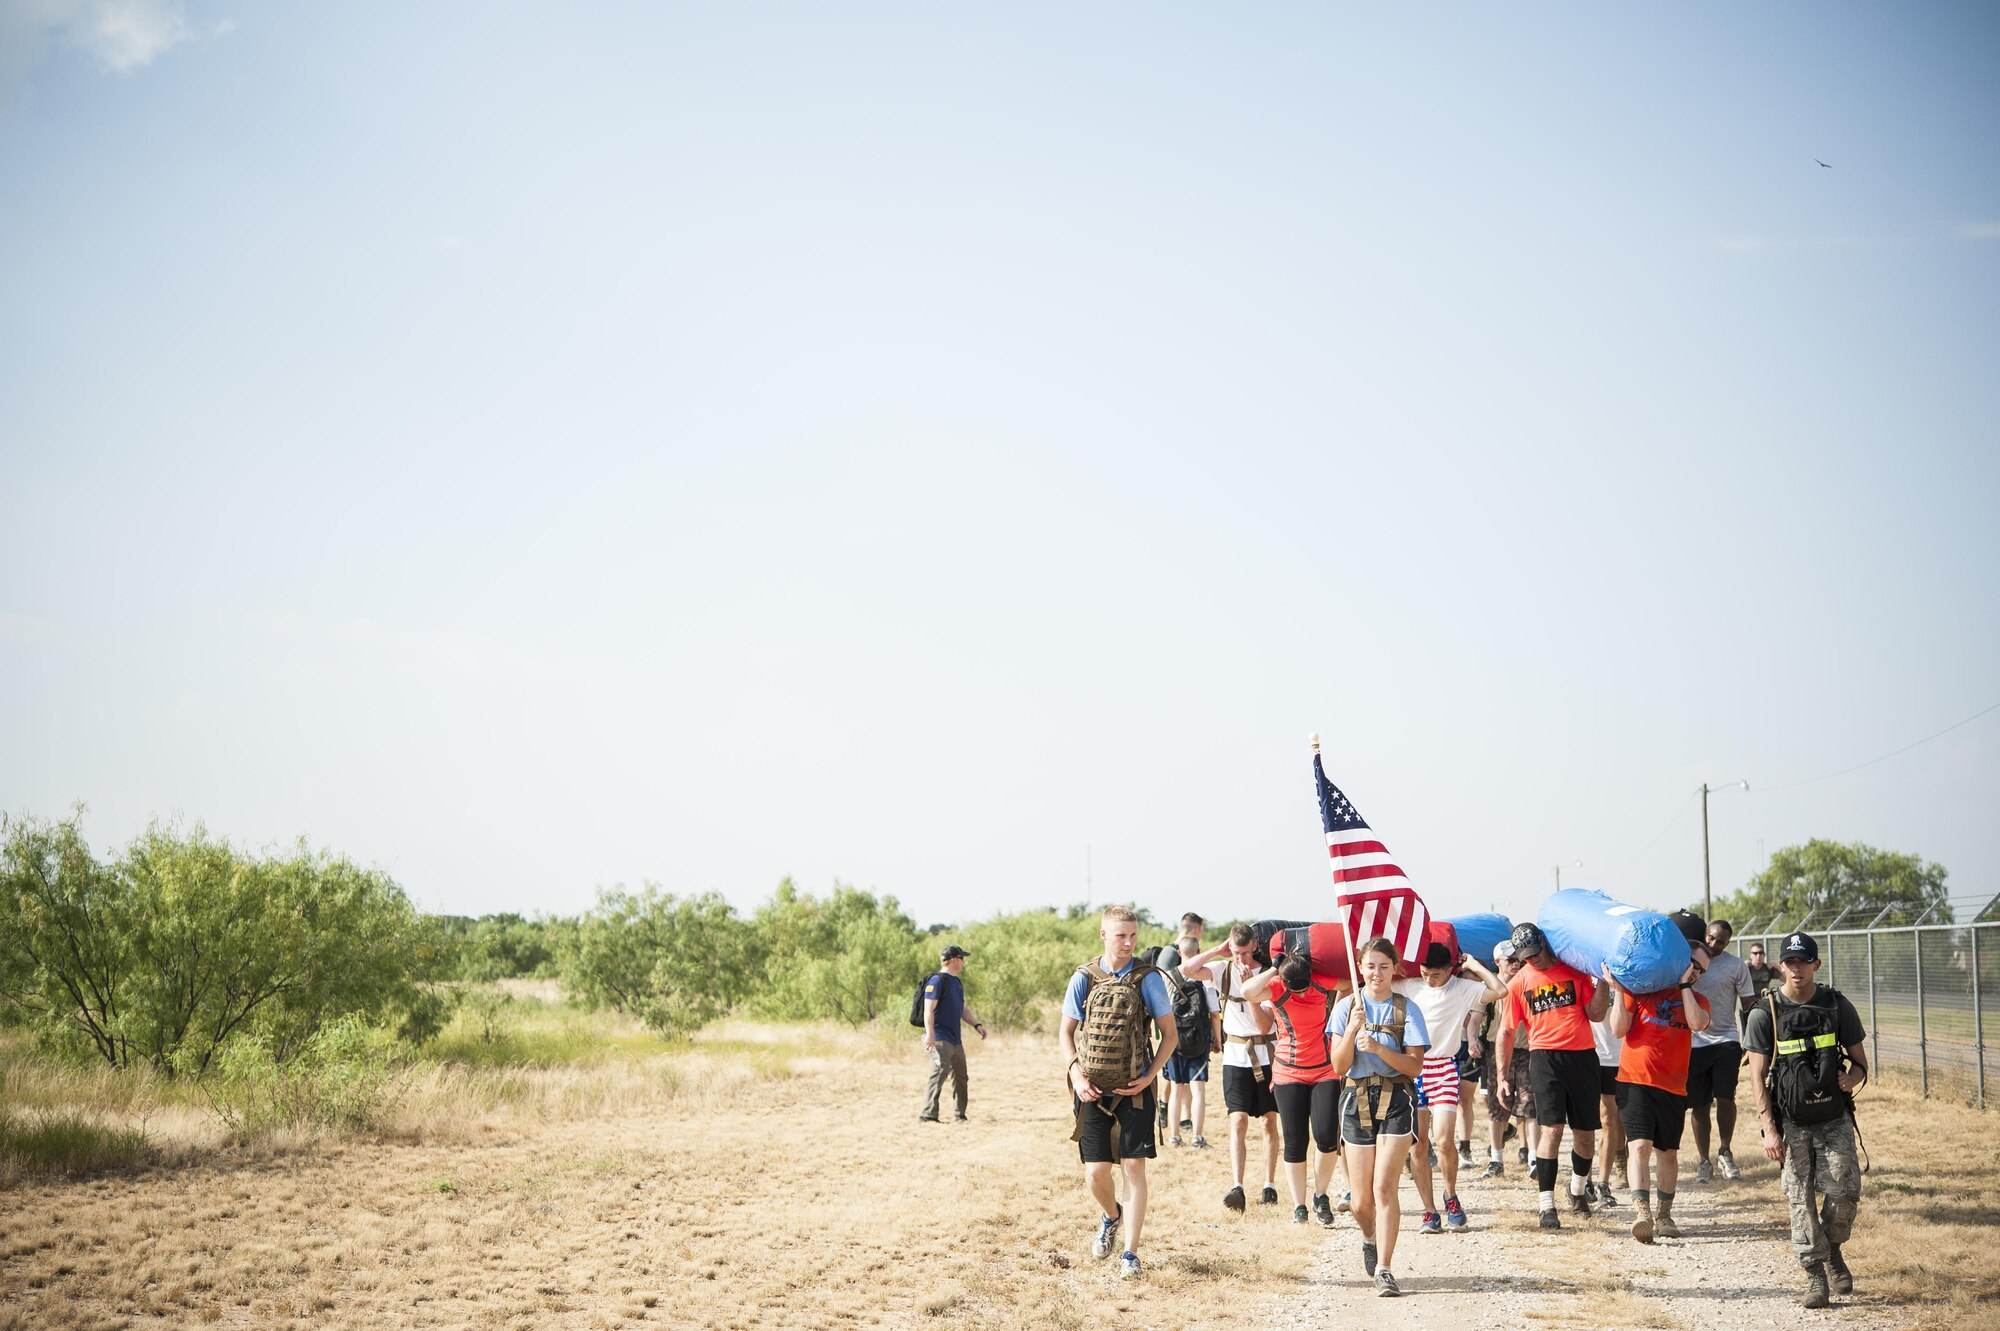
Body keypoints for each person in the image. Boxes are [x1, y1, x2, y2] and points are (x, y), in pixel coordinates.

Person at [1744, 931, 1869, 1310]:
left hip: (1834, 1117)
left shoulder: (1836, 1005)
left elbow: (1861, 1061)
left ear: (1815, 964)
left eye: (1803, 961)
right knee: (1800, 1199)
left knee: (1844, 1192)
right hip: (1791, 1121)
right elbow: (1756, 1075)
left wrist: (1854, 1076)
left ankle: (1832, 1248)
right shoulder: (1765, 1013)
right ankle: (1815, 1273)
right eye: (1790, 962)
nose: (1796, 968)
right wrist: (1769, 1128)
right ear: (1780, 967)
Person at [1059, 904, 1179, 1280]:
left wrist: (1149, 1076)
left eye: (1133, 936)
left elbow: (1169, 1035)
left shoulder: (1148, 979)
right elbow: (1065, 1033)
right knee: (1095, 1174)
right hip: (1091, 1088)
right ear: (1103, 935)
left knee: (1132, 1167)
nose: (1128, 943)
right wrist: (1077, 1075)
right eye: (1120, 935)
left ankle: (1131, 1253)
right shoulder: (1084, 977)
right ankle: (1112, 1216)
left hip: (1135, 1089)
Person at [1330, 936, 1430, 1297]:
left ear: (1395, 968)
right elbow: (1338, 1065)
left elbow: (1415, 1067)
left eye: (1384, 966)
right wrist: (1354, 1030)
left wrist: (1378, 1048)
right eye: (1370, 966)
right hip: (1356, 1099)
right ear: (1360, 967)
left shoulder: (1407, 1010)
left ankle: (1385, 1268)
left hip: (1397, 1099)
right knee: (1360, 1201)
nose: (1376, 973)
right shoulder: (1345, 1008)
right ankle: (1369, 1238)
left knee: (1384, 1188)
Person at [1496, 922, 1610, 1229]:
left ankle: (1577, 1191)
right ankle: (1546, 1205)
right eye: (1525, 956)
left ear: (1544, 943)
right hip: (1544, 1058)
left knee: (1585, 1136)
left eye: (1535, 953)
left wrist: (1604, 983)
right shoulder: (1520, 982)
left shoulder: (1574, 970)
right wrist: (1502, 1077)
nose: (1532, 960)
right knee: (1552, 1131)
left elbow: (1596, 1014)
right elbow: (1506, 1032)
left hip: (1583, 1057)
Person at [1602, 946, 1711, 1244]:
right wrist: (1618, 988)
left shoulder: (1698, 1000)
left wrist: (1685, 985)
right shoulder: (1641, 992)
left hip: (1673, 1088)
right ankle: (1643, 1213)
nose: (1695, 971)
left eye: (1700, 970)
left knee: (1669, 1153)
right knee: (1639, 1147)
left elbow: (1698, 1023)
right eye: (1691, 965)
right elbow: (1617, 1029)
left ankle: (1665, 1215)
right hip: (1634, 1082)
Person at [1393, 941, 1504, 1232]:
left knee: (1443, 1141)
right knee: (1417, 1145)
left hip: (1443, 1067)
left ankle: (1450, 1195)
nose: (1430, 979)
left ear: (1449, 970)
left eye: (1436, 974)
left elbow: (1500, 990)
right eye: (1425, 972)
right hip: (1413, 1067)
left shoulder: (1462, 988)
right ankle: (1429, 1211)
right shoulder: (1411, 985)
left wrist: (1474, 966)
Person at [1242, 950, 1348, 1227]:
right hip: (1288, 1072)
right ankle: (1299, 1205)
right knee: (1295, 1141)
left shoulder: (1319, 980)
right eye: (1295, 989)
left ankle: (1320, 1195)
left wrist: (1336, 1015)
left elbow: (1348, 983)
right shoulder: (1276, 985)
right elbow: (1247, 991)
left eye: (1303, 988)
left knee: (1326, 1138)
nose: (1300, 994)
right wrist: (1274, 968)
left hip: (1325, 1068)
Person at [1184, 926, 1282, 1213]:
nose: (1240, 958)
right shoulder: (1223, 971)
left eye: (1245, 952)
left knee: (1268, 1121)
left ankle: (1269, 1183)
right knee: (1237, 1120)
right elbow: (1187, 970)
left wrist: (1250, 987)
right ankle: (1237, 1185)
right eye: (1236, 952)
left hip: (1265, 1053)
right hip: (1235, 1057)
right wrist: (1218, 950)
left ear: (1255, 946)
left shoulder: (1268, 974)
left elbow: (1265, 1025)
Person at [1687, 919, 1757, 1182]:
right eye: (1712, 938)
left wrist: (1751, 1042)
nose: (1714, 944)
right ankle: (1704, 1161)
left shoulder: (1736, 966)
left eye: (1721, 941)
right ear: (1705, 934)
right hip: (1694, 1041)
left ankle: (1725, 1151)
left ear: (1728, 943)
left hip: (1726, 1040)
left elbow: (1749, 1004)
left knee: (1726, 1098)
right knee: (1699, 1105)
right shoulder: (1687, 962)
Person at [1477, 939, 1530, 1178]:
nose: (1515, 964)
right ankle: (1496, 1160)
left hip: (1527, 1048)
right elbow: (1477, 1012)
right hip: (1496, 1050)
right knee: (1496, 1107)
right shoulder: (1490, 987)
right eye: (1510, 960)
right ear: (1498, 962)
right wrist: (1474, 1039)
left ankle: (1532, 1158)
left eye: (1518, 959)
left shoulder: (1528, 980)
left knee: (1530, 1105)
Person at [918, 945, 986, 1122]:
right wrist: (930, 1034)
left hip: (956, 1039)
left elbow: (962, 1009)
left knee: (961, 1077)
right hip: (940, 1037)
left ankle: (959, 1114)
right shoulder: (937, 981)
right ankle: (928, 1114)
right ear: (954, 960)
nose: (963, 962)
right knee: (939, 1074)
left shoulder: (956, 983)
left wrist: (976, 1025)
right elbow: (928, 1010)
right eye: (962, 958)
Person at [1589, 1011, 1623, 1208]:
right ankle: (1585, 1181)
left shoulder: (1629, 978)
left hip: (1620, 1056)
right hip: (1589, 1055)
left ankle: (1603, 1183)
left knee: (1609, 1119)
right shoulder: (1586, 978)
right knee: (1585, 1124)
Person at [1745, 942, 1778, 1007]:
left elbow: (1786, 979)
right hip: (1748, 1003)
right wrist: (1742, 967)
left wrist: (1776, 966)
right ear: (1750, 955)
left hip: (1764, 1003)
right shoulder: (1746, 968)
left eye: (1761, 953)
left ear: (1764, 955)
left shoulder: (1768, 968)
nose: (1758, 956)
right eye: (1755, 953)